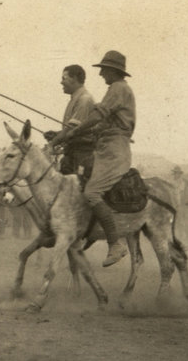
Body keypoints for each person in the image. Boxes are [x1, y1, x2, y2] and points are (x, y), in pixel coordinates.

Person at [49, 50, 135, 267]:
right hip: (107, 148)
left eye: (104, 70)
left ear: (113, 71)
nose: (101, 74)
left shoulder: (118, 88)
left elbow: (97, 116)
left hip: (114, 151)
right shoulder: (116, 89)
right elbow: (98, 124)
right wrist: (64, 134)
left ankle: (115, 243)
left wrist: (72, 132)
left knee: (91, 192)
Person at [45, 64, 96, 178]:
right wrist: (57, 134)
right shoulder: (76, 98)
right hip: (72, 154)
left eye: (64, 78)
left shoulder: (84, 100)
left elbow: (71, 129)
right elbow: (73, 129)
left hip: (81, 156)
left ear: (74, 79)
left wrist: (52, 144)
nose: (61, 82)